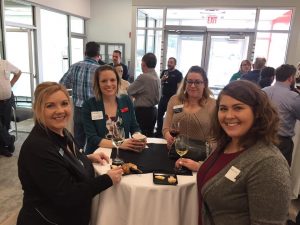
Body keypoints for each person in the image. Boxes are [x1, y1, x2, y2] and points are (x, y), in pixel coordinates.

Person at [17, 82, 123, 225]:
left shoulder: (61, 132)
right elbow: (68, 195)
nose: (60, 110)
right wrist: (107, 179)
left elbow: (63, 160)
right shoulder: (37, 148)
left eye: (64, 103)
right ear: (37, 109)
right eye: (50, 105)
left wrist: (87, 158)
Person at [197, 80, 290, 225]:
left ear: (257, 112)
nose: (228, 116)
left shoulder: (269, 164)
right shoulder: (226, 143)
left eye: (238, 108)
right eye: (223, 109)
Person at [82, 65, 146, 154]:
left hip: (123, 153)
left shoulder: (126, 100)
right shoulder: (89, 105)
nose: (109, 84)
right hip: (98, 155)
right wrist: (120, 144)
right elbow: (92, 138)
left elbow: (134, 126)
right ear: (98, 83)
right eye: (104, 81)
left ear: (117, 81)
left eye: (112, 80)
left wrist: (138, 137)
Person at [163, 66, 215, 162]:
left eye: (197, 82)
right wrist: (168, 136)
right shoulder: (175, 100)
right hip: (175, 155)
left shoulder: (213, 105)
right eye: (189, 81)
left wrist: (203, 163)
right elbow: (166, 128)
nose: (192, 85)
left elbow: (216, 138)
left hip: (200, 159)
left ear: (205, 84)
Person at [60, 41, 100, 149]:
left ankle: (78, 162)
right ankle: (92, 162)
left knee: (78, 140)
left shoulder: (74, 67)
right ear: (98, 55)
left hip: (78, 109)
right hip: (95, 109)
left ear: (84, 52)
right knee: (94, 139)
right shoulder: (100, 70)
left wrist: (65, 102)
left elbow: (61, 85)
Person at [263, 64, 300, 166]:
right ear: (290, 78)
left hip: (261, 137)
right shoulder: (293, 97)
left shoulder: (263, 91)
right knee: (280, 173)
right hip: (281, 142)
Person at [127, 53, 161, 137]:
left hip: (142, 112)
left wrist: (136, 94)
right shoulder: (157, 77)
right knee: (149, 136)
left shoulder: (143, 77)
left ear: (143, 64)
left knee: (139, 137)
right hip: (153, 111)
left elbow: (129, 90)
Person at [155, 57, 183, 137]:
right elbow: (160, 83)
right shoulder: (164, 72)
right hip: (164, 98)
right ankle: (159, 132)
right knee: (159, 115)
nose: (169, 64)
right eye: (168, 62)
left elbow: (179, 88)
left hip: (174, 99)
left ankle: (172, 133)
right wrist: (162, 79)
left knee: (175, 117)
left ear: (175, 64)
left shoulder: (178, 74)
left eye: (171, 62)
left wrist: (178, 100)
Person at [0, 59, 21, 157]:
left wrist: (11, 84)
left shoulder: (4, 63)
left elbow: (18, 72)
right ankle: (9, 139)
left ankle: (3, 148)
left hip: (7, 100)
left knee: (5, 125)